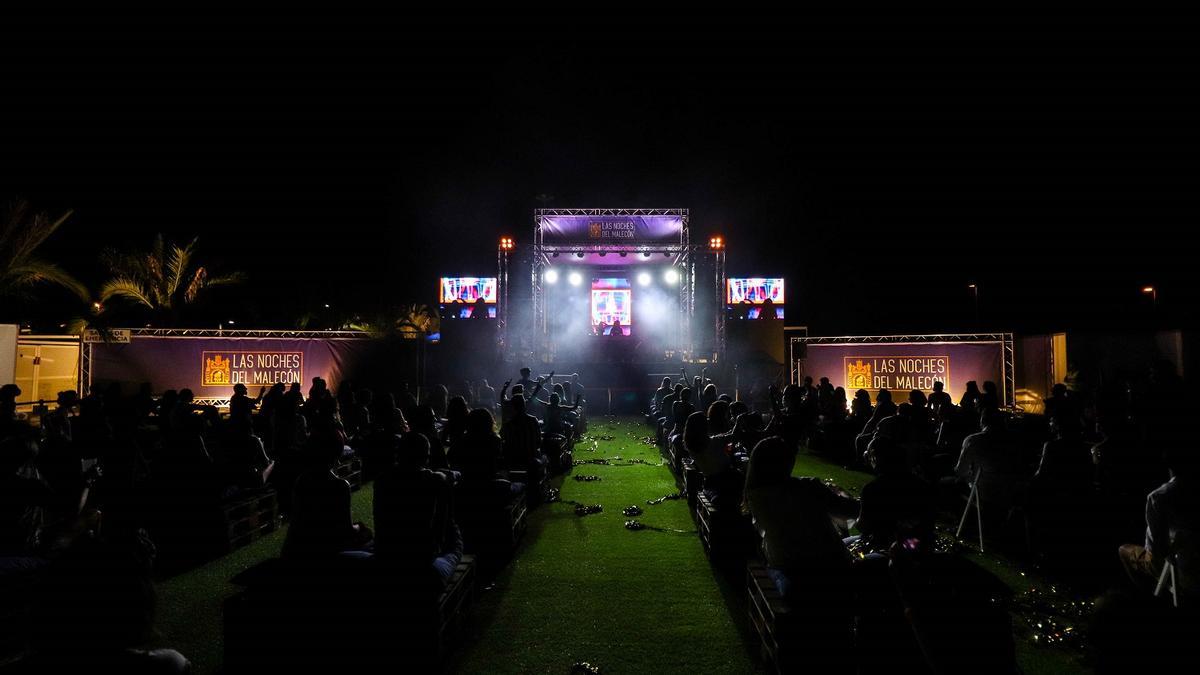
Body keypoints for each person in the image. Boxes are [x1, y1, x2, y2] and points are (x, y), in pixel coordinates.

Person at [743, 436, 859, 663]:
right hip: (827, 567)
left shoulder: (753, 494)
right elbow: (851, 512)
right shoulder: (808, 487)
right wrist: (841, 494)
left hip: (784, 561)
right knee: (856, 543)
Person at [373, 433, 463, 582]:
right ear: (425, 457)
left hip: (386, 553)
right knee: (454, 533)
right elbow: (443, 526)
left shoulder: (383, 480)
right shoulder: (435, 480)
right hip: (422, 557)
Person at [1118, 443, 1198, 599]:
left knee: (1124, 550)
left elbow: (1158, 551)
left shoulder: (1159, 497)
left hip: (1185, 571)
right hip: (1190, 559)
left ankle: (1149, 599)